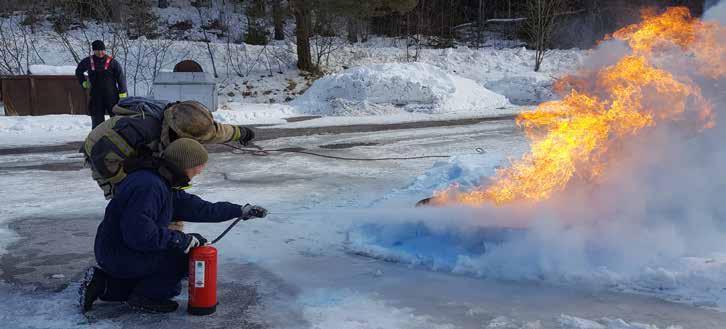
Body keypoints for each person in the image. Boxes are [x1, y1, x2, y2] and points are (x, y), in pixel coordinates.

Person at [78, 138, 268, 313]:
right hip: (119, 253)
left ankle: (102, 285)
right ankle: (145, 297)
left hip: (119, 249)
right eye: (198, 166)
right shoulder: (149, 186)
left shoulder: (162, 181)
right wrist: (180, 240)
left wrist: (240, 210)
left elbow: (201, 209)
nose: (200, 170)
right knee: (181, 259)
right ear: (184, 164)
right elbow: (139, 235)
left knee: (176, 260)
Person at [75, 40, 128, 128]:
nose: (100, 52)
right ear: (94, 51)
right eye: (97, 50)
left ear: (105, 50)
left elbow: (121, 78)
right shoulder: (88, 61)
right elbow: (78, 71)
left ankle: (118, 138)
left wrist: (123, 94)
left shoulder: (112, 62)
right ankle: (97, 139)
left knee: (116, 120)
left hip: (112, 96)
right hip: (96, 96)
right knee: (97, 121)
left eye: (102, 50)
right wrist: (83, 82)